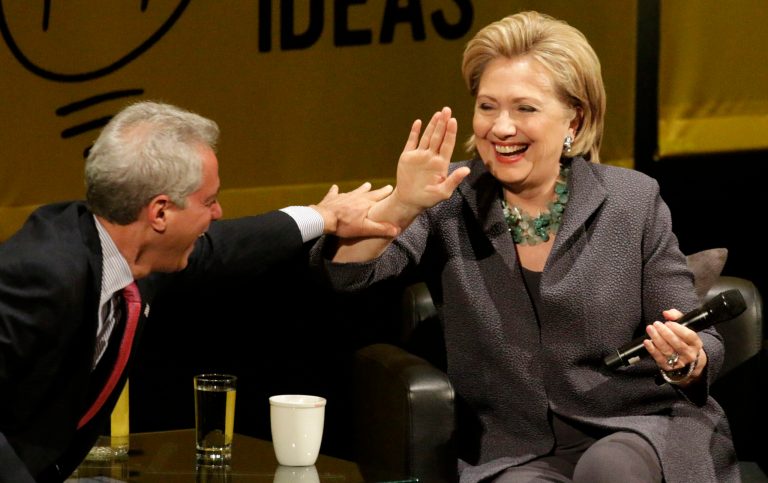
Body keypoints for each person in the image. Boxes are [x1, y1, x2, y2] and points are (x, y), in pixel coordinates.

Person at [313, 11, 738, 483]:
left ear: (574, 118)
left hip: (640, 425)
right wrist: (403, 204)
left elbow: (698, 337)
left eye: (525, 109)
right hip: (516, 446)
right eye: (487, 107)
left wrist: (684, 360)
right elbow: (348, 274)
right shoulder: (448, 198)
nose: (501, 127)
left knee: (610, 468)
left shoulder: (631, 199)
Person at [0, 101, 398, 482]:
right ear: (160, 212)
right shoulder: (42, 272)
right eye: (209, 201)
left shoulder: (127, 249)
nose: (218, 213)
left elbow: (224, 246)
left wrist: (323, 217)